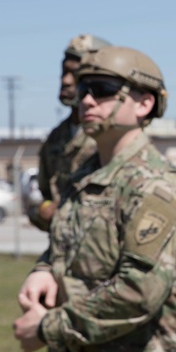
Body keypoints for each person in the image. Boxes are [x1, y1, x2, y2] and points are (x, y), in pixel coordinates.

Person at [13, 45, 176, 352]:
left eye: (101, 89)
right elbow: (67, 248)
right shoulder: (84, 181)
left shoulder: (156, 187)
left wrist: (47, 328)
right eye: (82, 89)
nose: (86, 100)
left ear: (143, 103)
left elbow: (138, 292)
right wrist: (43, 270)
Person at [28, 33, 111, 231]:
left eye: (75, 74)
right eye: (64, 72)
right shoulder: (57, 138)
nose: (65, 81)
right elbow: (45, 198)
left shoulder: (110, 137)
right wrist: (42, 212)